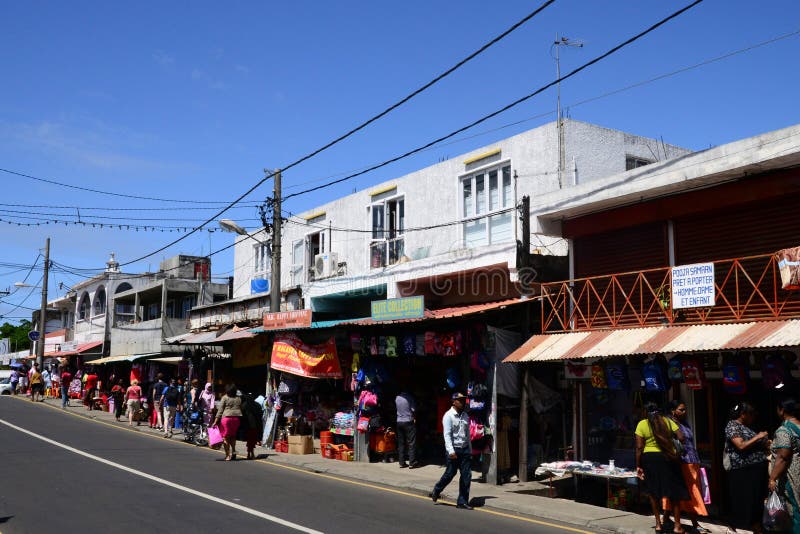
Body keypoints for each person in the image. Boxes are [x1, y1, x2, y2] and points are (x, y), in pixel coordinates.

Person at [634, 402, 689, 534]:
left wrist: (638, 465)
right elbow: (682, 437)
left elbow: (639, 447)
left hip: (650, 459)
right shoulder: (667, 421)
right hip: (668, 457)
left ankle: (658, 524)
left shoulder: (642, 424)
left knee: (653, 492)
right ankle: (677, 526)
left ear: (645, 412)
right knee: (674, 493)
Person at [660, 400, 709, 534]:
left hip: (692, 461)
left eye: (684, 409)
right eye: (681, 409)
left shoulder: (684, 423)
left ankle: (665, 517)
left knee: (685, 492)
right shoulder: (669, 423)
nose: (684, 412)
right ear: (673, 411)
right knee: (690, 492)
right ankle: (695, 523)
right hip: (681, 462)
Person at [724, 401, 770, 533]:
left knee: (757, 500)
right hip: (744, 470)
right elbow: (741, 445)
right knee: (745, 500)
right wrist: (758, 437)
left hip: (756, 469)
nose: (753, 417)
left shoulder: (747, 426)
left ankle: (757, 527)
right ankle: (735, 527)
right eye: (751, 414)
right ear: (743, 414)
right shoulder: (732, 425)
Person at [430, 392, 473, 509]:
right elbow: (447, 435)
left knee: (466, 476)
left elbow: (467, 434)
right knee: (450, 473)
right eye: (460, 400)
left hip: (464, 450)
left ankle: (462, 501)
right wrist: (451, 451)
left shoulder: (465, 416)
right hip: (454, 450)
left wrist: (470, 449)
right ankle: (437, 489)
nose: (462, 403)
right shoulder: (448, 416)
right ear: (454, 402)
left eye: (463, 401)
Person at [768, 397, 800, 533]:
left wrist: (772, 478)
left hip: (790, 477)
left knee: (793, 510)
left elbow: (783, 456)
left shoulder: (784, 430)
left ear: (782, 411)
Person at [212, 383, 242, 461]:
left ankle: (227, 455)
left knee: (226, 437)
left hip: (226, 419)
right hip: (236, 419)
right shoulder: (238, 398)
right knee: (233, 436)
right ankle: (234, 451)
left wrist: (215, 421)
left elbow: (220, 410)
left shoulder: (225, 397)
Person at [395, 388, 419, 468]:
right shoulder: (409, 398)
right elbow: (413, 409)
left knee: (401, 442)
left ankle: (401, 462)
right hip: (408, 421)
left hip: (399, 421)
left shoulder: (397, 398)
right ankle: (412, 462)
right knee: (411, 442)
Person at [241, 393, 264, 460]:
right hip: (254, 426)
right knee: (252, 440)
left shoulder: (244, 405)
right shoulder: (257, 405)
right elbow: (260, 415)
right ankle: (251, 453)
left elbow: (242, 415)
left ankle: (249, 454)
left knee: (249, 440)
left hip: (247, 426)